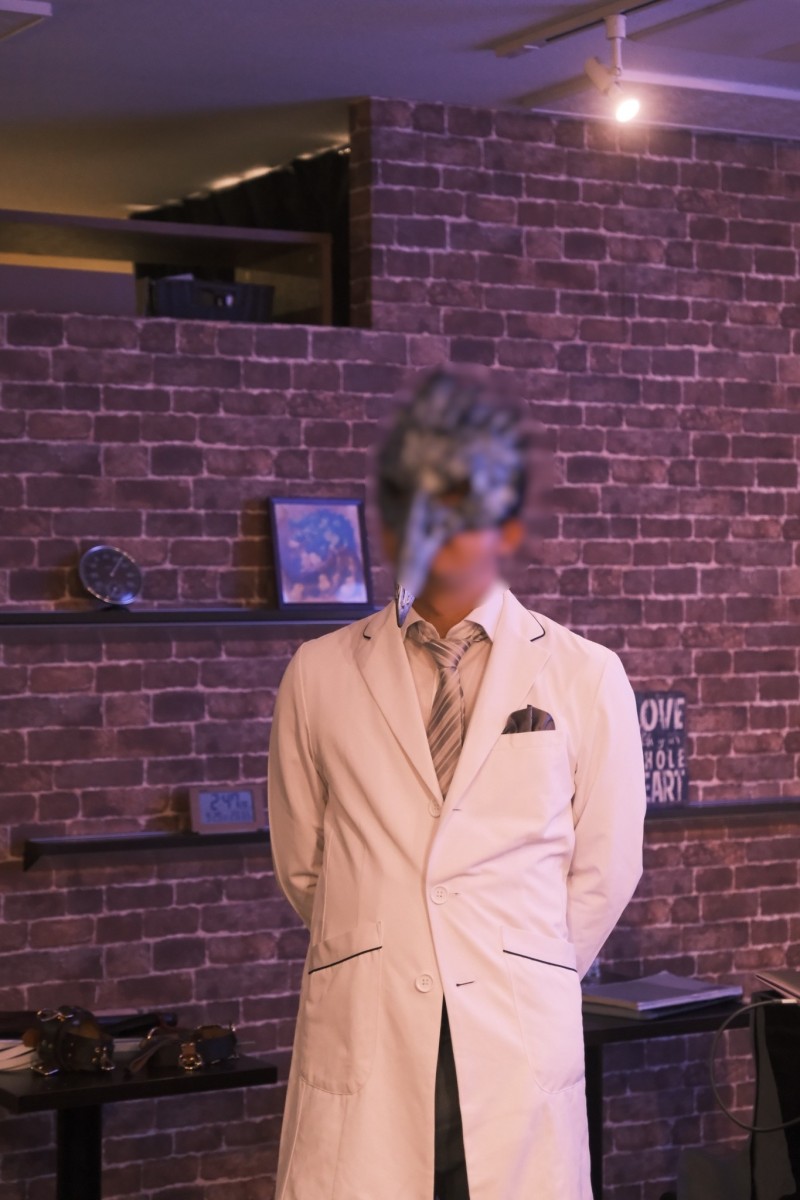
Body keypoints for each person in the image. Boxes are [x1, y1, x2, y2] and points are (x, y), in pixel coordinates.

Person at [267, 365, 647, 1200]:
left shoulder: (585, 673)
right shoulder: (318, 672)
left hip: (514, 1023)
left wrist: (523, 961)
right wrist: (388, 935)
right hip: (369, 1014)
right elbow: (302, 864)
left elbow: (607, 866)